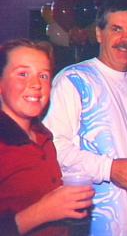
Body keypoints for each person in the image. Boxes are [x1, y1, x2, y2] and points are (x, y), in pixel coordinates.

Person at [43, 0, 127, 236]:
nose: (126, 39)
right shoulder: (74, 80)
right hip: (91, 223)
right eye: (117, 29)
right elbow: (53, 149)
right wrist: (110, 169)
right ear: (98, 34)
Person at [0, 38, 95, 236]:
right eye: (23, 73)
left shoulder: (44, 137)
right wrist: (42, 212)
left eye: (43, 76)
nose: (36, 84)